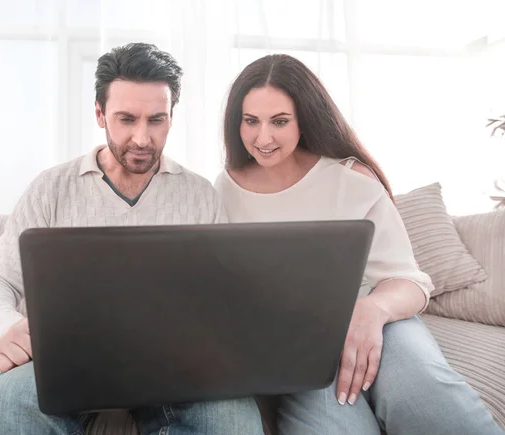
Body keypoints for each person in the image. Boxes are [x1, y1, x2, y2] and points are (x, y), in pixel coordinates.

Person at [0, 42, 264, 435]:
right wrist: (0, 326)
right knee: (4, 409)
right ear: (100, 114)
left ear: (172, 117)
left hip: (175, 370)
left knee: (232, 422)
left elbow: (226, 295)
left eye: (156, 120)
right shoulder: (52, 188)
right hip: (68, 361)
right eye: (127, 119)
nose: (142, 138)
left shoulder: (200, 195)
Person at [214, 53, 505, 435]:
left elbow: (410, 282)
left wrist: (372, 310)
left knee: (422, 392)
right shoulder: (224, 188)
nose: (263, 137)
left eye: (279, 121)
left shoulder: (351, 178)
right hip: (300, 345)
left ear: (305, 119)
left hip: (380, 321)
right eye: (251, 121)